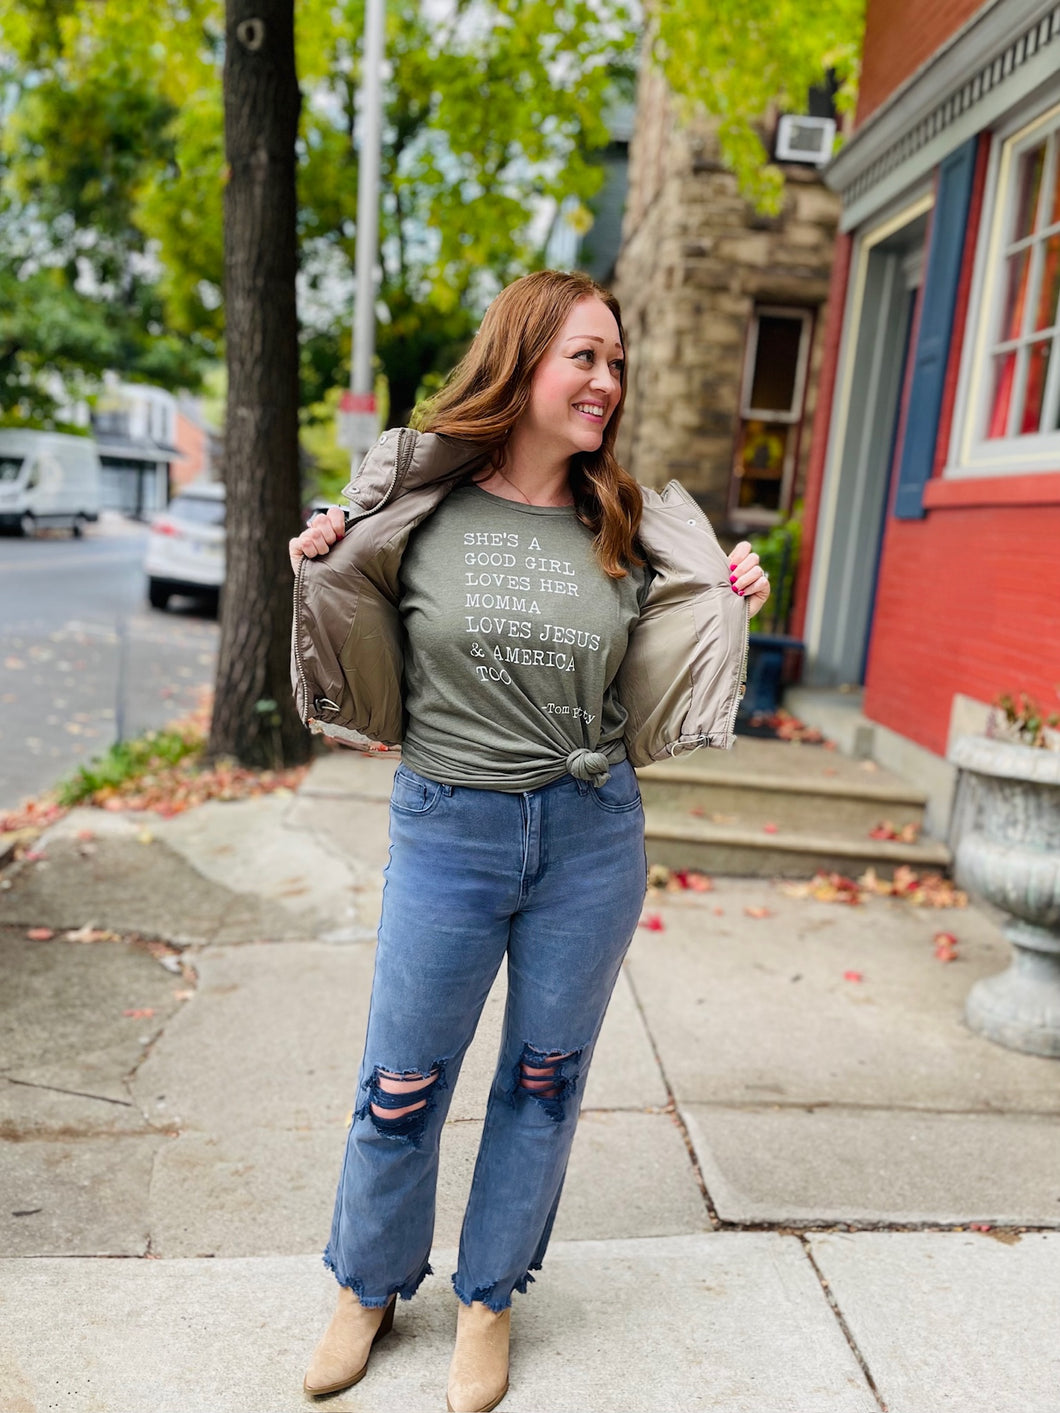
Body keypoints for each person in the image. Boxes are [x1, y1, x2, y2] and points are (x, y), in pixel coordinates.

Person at [288, 269, 769, 1412]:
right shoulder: (420, 500)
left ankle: (490, 1297)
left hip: (588, 835)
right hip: (449, 827)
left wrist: (724, 590)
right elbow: (348, 597)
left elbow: (678, 639)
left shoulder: (631, 520)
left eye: (615, 362)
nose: (605, 381)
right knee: (401, 1080)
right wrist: (325, 556)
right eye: (583, 357)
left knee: (543, 1084)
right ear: (522, 362)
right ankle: (367, 1285)